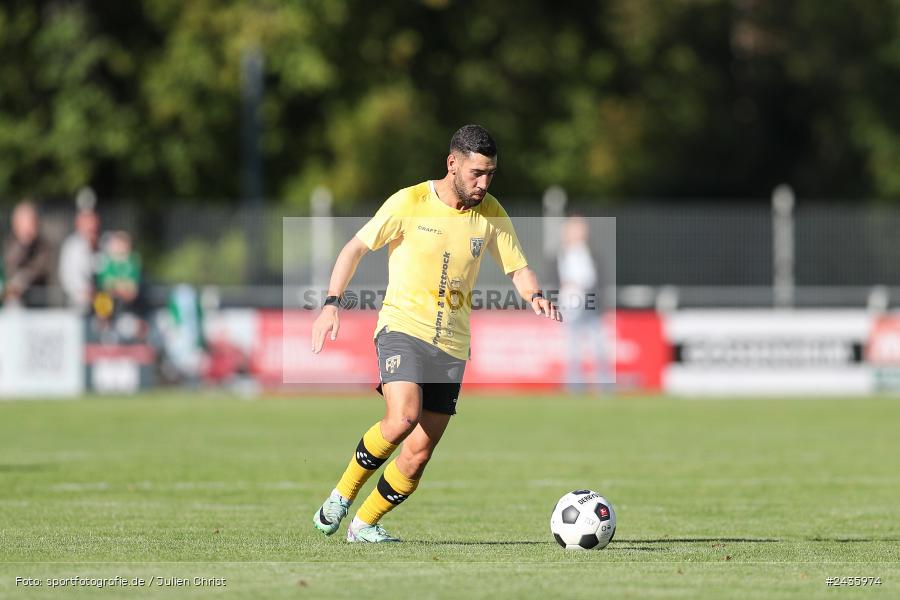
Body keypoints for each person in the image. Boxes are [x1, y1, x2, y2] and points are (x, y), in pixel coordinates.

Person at [310, 124, 562, 543]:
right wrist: (332, 303)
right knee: (403, 417)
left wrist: (534, 294)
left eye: (490, 174)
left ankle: (365, 524)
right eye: (476, 173)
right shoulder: (410, 201)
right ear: (453, 164)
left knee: (419, 452)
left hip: (452, 345)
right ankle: (341, 495)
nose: (483, 183)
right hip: (402, 328)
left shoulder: (491, 212)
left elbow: (517, 267)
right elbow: (355, 247)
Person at [556, 215, 609, 390]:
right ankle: (574, 386)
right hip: (570, 307)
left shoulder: (591, 253)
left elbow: (597, 279)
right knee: (573, 349)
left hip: (591, 305)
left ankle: (604, 385)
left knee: (599, 347)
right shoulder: (561, 254)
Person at [3, 200, 52, 307]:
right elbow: (9, 268)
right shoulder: (10, 246)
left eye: (33, 223)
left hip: (38, 303)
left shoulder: (43, 247)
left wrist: (21, 281)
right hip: (14, 305)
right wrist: (23, 245)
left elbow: (39, 269)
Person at [59, 205, 101, 312]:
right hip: (78, 307)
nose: (92, 227)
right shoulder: (72, 247)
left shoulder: (103, 245)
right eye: (88, 223)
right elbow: (69, 278)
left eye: (94, 223)